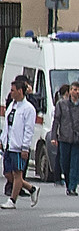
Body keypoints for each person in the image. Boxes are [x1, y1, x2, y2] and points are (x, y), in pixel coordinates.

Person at [3, 77, 36, 208]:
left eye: (13, 90)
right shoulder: (12, 105)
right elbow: (8, 125)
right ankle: (31, 188)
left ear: (20, 91)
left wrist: (25, 147)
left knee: (17, 174)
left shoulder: (28, 109)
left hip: (18, 146)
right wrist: (3, 139)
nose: (11, 93)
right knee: (8, 173)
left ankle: (12, 200)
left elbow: (29, 130)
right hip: (9, 144)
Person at [52, 82, 79, 195]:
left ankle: (73, 186)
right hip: (64, 137)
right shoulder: (61, 104)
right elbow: (56, 121)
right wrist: (54, 137)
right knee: (65, 163)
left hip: (78, 138)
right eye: (74, 90)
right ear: (70, 91)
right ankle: (68, 183)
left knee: (75, 163)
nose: (76, 92)